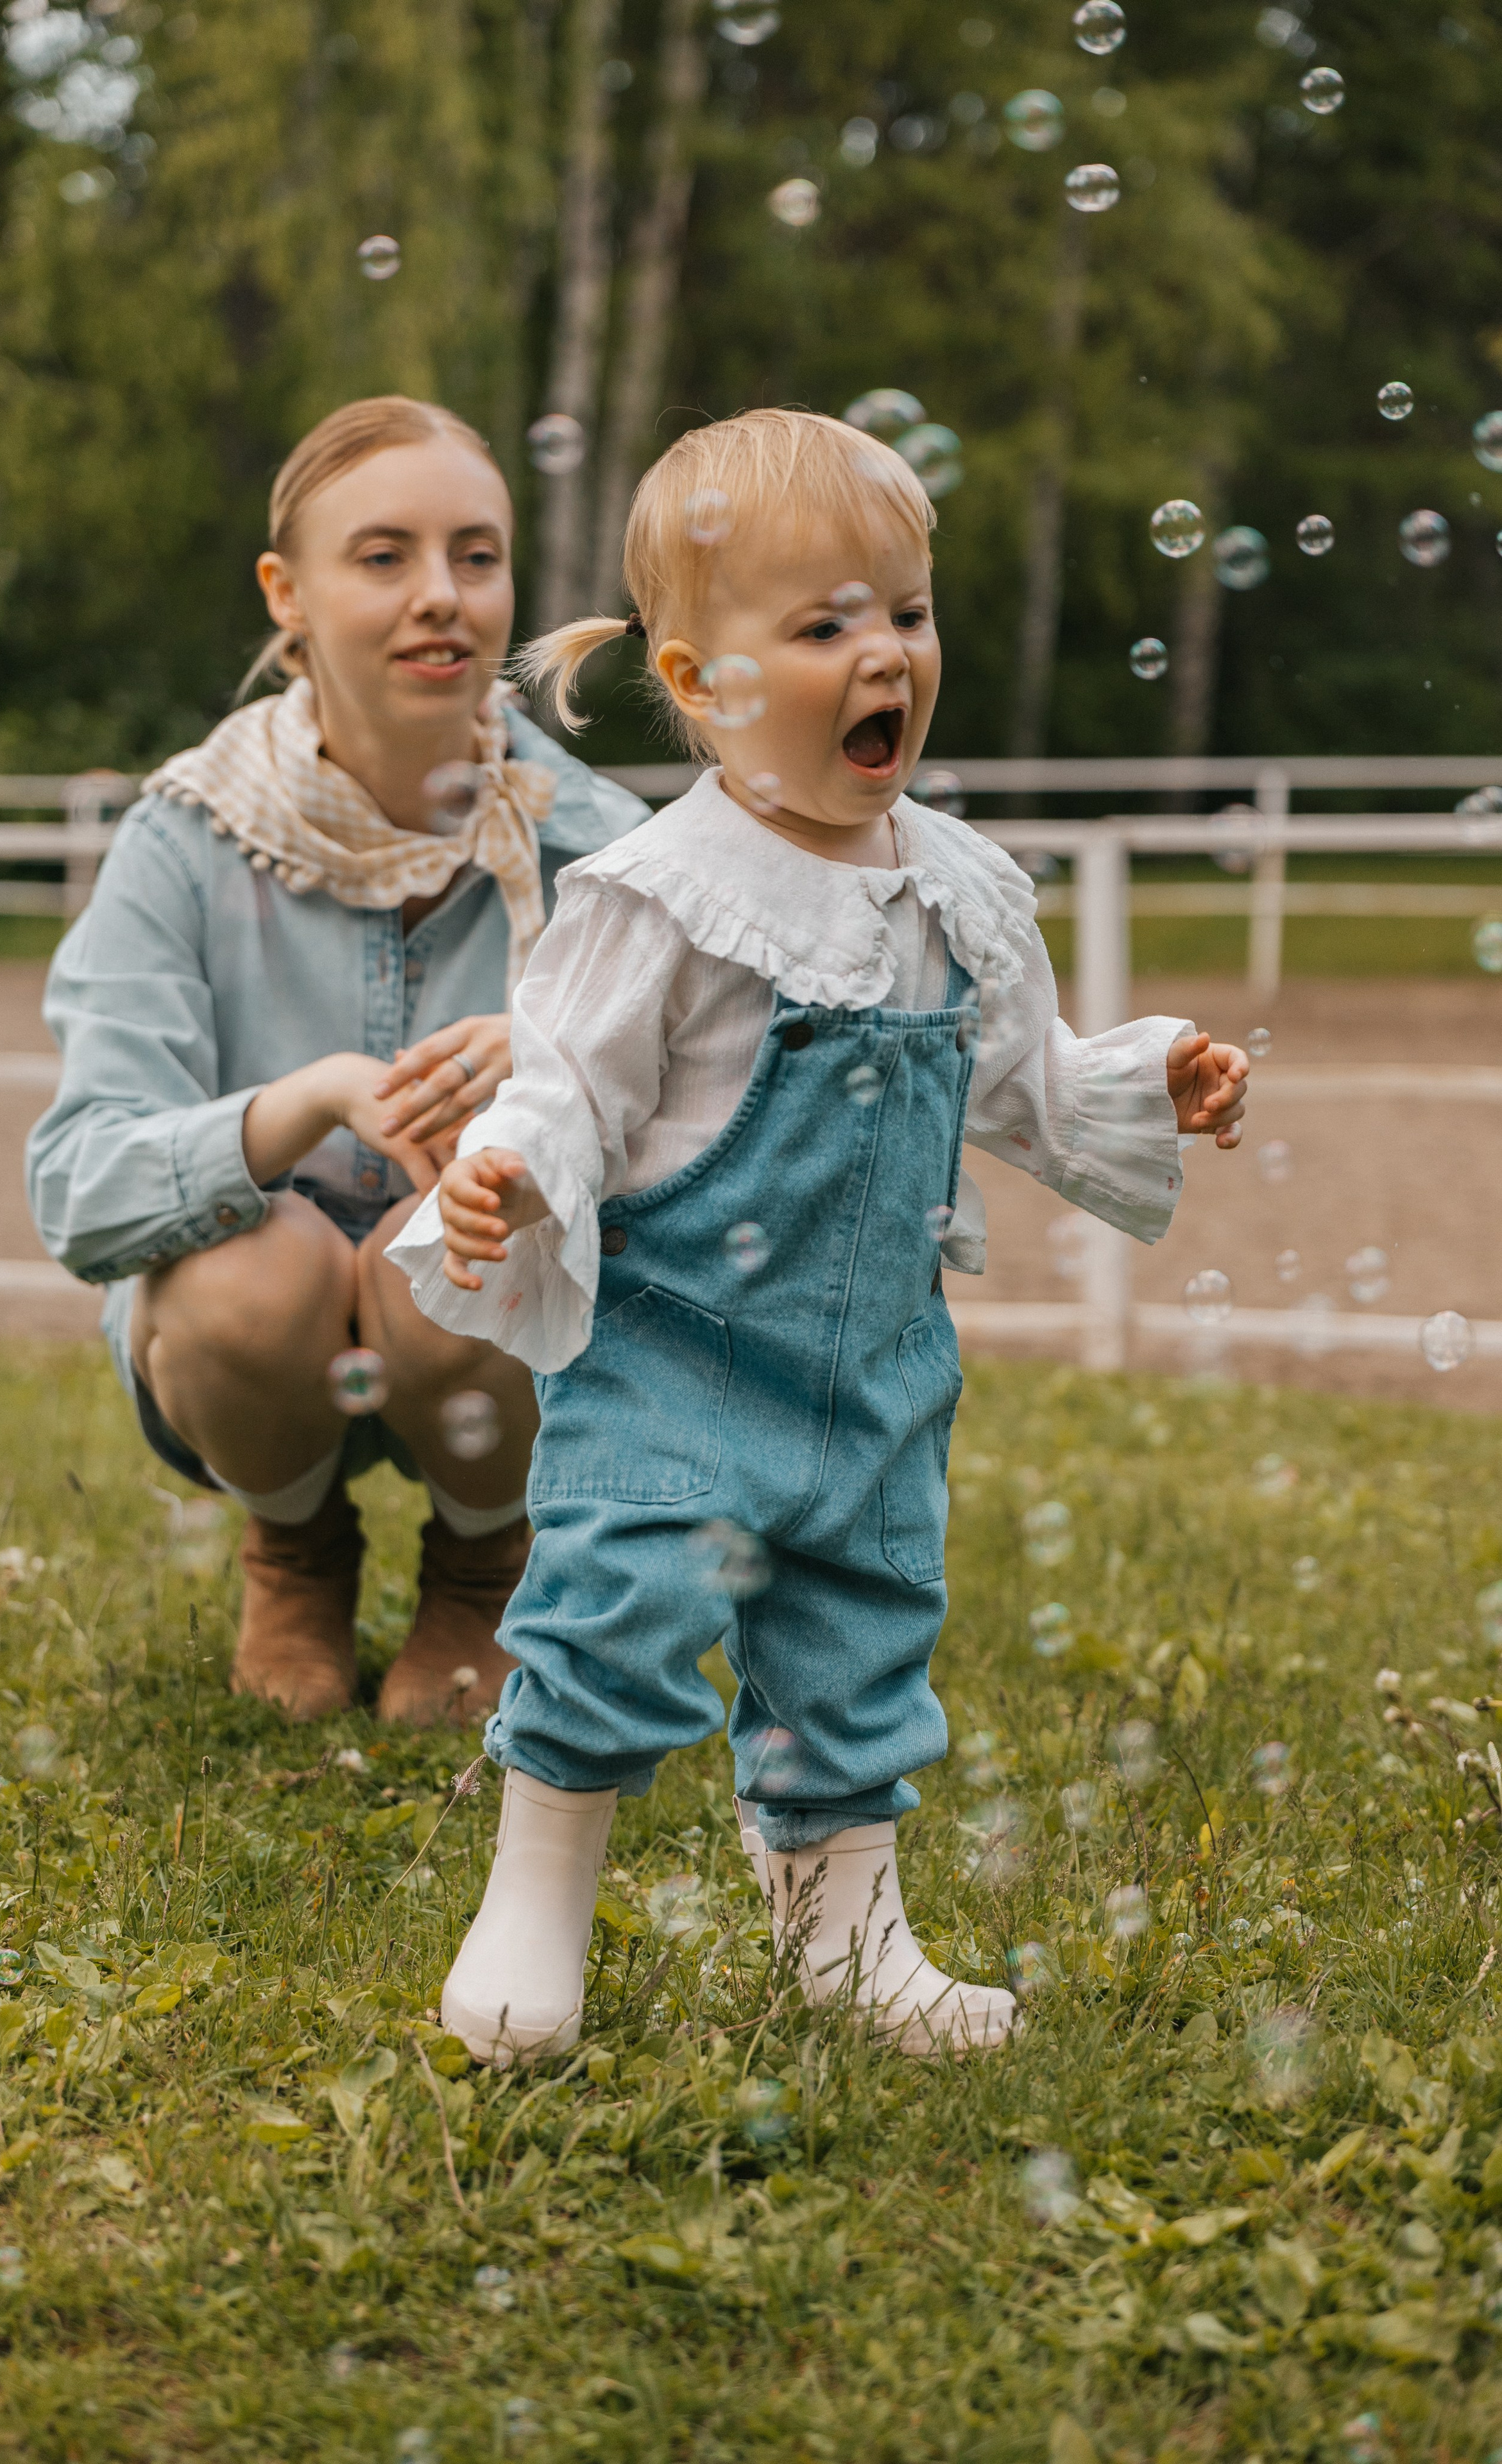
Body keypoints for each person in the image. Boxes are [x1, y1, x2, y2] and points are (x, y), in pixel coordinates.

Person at [387, 406, 1250, 2067]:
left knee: (861, 1639)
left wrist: (1155, 1075)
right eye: (827, 625)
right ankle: (537, 1901)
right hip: (678, 1358)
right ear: (702, 682)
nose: (887, 656)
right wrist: (509, 1170)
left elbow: (1022, 1087)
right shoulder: (664, 893)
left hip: (872, 1374)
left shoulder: (956, 890)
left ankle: (846, 1939)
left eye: (906, 613)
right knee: (618, 1602)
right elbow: (567, 1078)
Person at [26, 396, 648, 1725]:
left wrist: (555, 1076)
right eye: (383, 557)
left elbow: (722, 1143)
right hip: (259, 1338)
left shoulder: (605, 843)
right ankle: (294, 1555)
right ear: (285, 593)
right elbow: (78, 1190)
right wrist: (298, 1103)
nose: (442, 597)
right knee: (251, 1266)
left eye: (475, 556)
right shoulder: (180, 838)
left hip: (496, 1346)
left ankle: (484, 1567)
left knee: (470, 1227)